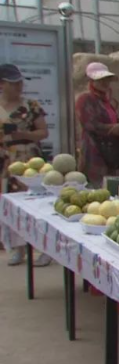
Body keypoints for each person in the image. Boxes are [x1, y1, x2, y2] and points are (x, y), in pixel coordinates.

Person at [0, 64, 51, 267]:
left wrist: (23, 135)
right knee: (10, 206)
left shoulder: (31, 106)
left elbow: (43, 132)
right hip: (5, 162)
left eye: (20, 82)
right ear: (2, 84)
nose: (19, 86)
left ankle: (45, 249)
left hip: (29, 161)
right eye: (14, 83)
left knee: (36, 206)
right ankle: (17, 249)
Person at [75, 62, 119, 188]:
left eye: (107, 80)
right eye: (100, 80)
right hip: (94, 150)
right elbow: (90, 124)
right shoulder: (85, 99)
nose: (105, 83)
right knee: (95, 189)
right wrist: (112, 128)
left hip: (112, 152)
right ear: (91, 81)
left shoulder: (106, 101)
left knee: (115, 190)